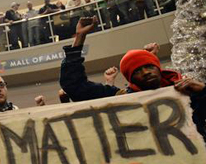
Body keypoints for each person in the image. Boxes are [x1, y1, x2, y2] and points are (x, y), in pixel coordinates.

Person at [60, 17, 206, 140]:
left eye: (149, 67)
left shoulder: (187, 91)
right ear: (130, 78)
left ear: (158, 68)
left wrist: (203, 91)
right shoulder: (120, 98)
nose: (146, 72)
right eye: (137, 71)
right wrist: (79, 37)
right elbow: (74, 85)